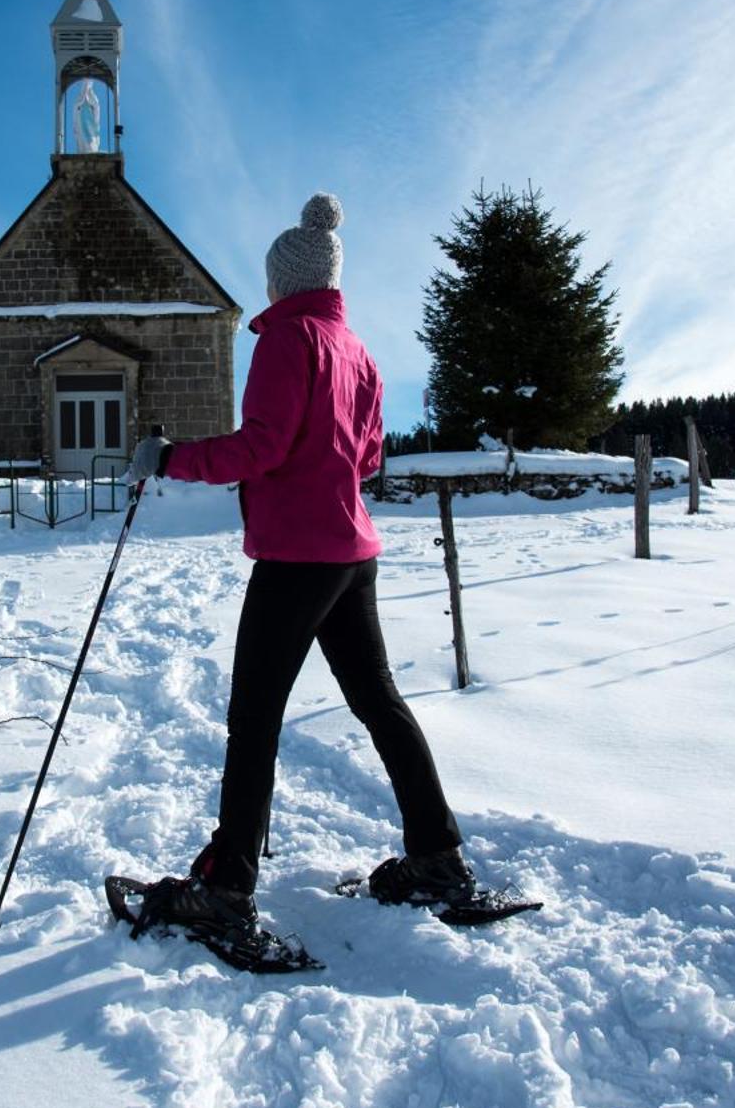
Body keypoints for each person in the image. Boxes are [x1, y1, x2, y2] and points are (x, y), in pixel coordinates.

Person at [123, 193, 480, 940]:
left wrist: (171, 457)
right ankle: (438, 854)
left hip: (295, 558)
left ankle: (226, 888)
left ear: (284, 280)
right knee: (380, 701)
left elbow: (261, 446)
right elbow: (372, 456)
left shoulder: (287, 341)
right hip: (352, 555)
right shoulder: (360, 353)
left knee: (253, 719)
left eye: (271, 280)